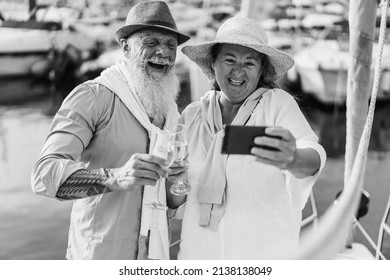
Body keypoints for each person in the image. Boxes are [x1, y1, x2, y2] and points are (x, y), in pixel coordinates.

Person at [31, 1, 190, 260]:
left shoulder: (171, 113)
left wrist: (179, 181)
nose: (163, 52)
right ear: (126, 47)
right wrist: (115, 177)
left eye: (171, 45)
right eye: (151, 42)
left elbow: (173, 202)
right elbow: (44, 174)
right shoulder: (93, 97)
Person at [177, 16, 327, 259]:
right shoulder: (193, 115)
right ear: (213, 63)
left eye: (249, 63)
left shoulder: (277, 104)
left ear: (261, 71)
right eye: (229, 59)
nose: (238, 70)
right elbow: (175, 191)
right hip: (198, 256)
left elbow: (313, 155)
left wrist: (292, 158)